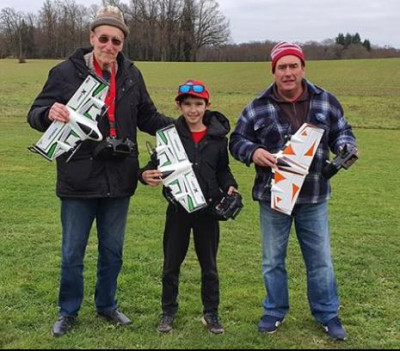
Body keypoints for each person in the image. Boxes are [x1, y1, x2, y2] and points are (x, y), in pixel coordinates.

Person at [27, 6, 173, 337]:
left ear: (123, 43)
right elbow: (34, 114)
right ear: (92, 37)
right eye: (104, 38)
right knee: (72, 253)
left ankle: (107, 305)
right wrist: (48, 113)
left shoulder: (132, 75)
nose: (110, 45)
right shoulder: (65, 72)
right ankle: (68, 311)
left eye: (116, 41)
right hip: (78, 179)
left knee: (113, 252)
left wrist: (183, 125)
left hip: (119, 180)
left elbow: (147, 117)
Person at [229, 41, 358, 341]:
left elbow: (344, 131)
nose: (288, 72)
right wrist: (253, 152)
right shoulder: (257, 106)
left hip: (313, 196)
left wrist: (345, 146)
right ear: (273, 71)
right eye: (282, 67)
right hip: (273, 197)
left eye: (293, 66)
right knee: (272, 260)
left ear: (303, 68)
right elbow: (236, 140)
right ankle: (275, 310)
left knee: (320, 259)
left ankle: (327, 314)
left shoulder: (326, 101)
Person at [139, 79, 239, 334]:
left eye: (198, 104)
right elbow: (153, 164)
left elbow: (222, 168)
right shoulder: (169, 136)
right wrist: (145, 175)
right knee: (171, 264)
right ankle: (168, 311)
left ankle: (211, 313)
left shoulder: (217, 138)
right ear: (179, 105)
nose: (193, 110)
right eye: (188, 105)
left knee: (209, 265)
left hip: (208, 210)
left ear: (207, 105)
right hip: (178, 210)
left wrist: (230, 185)